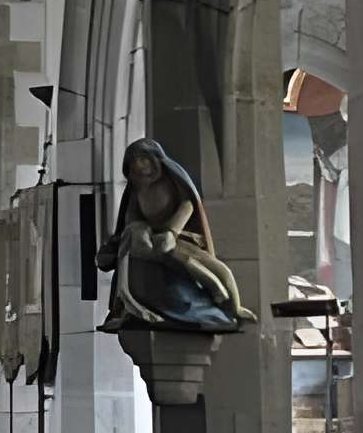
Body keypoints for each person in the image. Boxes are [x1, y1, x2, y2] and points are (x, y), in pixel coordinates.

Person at [96, 137, 254, 332]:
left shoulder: (172, 180)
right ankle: (128, 308)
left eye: (143, 159)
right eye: (134, 161)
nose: (139, 165)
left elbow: (187, 205)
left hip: (179, 236)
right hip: (148, 241)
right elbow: (132, 218)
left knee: (217, 269)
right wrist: (138, 232)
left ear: (156, 160)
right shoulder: (136, 191)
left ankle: (232, 306)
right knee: (156, 257)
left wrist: (171, 231)